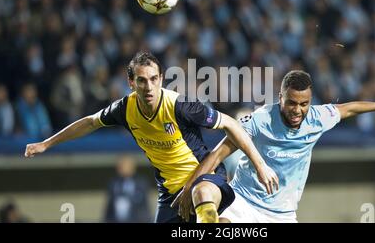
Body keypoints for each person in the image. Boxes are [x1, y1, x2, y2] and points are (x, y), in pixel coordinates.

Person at [25, 51, 278, 223]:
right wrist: (47, 143)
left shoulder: (181, 105)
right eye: (142, 80)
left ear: (161, 79)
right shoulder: (125, 109)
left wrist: (261, 165)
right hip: (169, 193)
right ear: (131, 82)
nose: (149, 87)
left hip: (206, 175)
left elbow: (232, 125)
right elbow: (90, 122)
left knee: (202, 196)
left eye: (154, 79)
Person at [172, 70, 375, 223]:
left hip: (282, 214)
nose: (298, 111)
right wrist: (189, 186)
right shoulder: (260, 120)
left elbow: (349, 108)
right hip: (244, 202)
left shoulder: (317, 118)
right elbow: (218, 154)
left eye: (304, 104)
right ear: (280, 98)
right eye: (291, 103)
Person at [104, 155, 152, 223]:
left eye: (126, 166)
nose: (123, 168)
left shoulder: (140, 183)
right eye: (120, 166)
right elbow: (109, 206)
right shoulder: (114, 183)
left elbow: (145, 206)